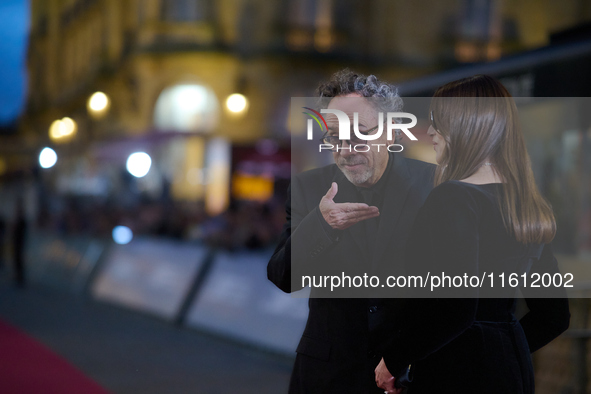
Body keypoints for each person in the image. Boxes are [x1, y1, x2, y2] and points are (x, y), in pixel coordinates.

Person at [374, 75, 571, 393]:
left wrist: (395, 361)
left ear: (467, 127)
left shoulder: (454, 197)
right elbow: (554, 317)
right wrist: (501, 349)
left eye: (439, 122)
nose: (432, 132)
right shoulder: (524, 203)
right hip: (512, 373)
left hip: (455, 375)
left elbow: (456, 308)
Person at [267, 69, 435, 393]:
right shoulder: (308, 187)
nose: (346, 148)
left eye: (359, 133)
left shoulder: (433, 184)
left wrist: (405, 357)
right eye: (335, 136)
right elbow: (283, 276)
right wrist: (321, 225)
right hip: (327, 376)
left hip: (404, 376)